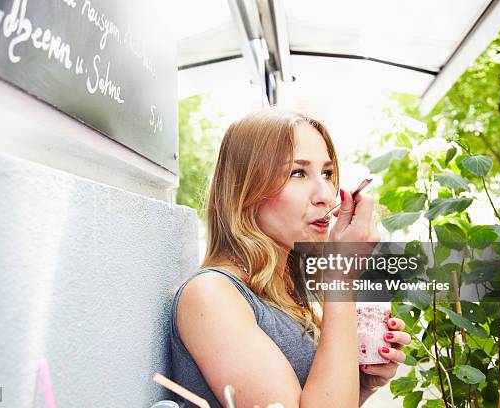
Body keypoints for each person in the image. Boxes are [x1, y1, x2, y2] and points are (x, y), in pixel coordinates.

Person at [170, 107, 411, 407]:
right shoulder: (210, 294)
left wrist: (360, 385)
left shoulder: (285, 294)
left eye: (326, 173)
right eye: (298, 172)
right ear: (246, 190)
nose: (326, 194)